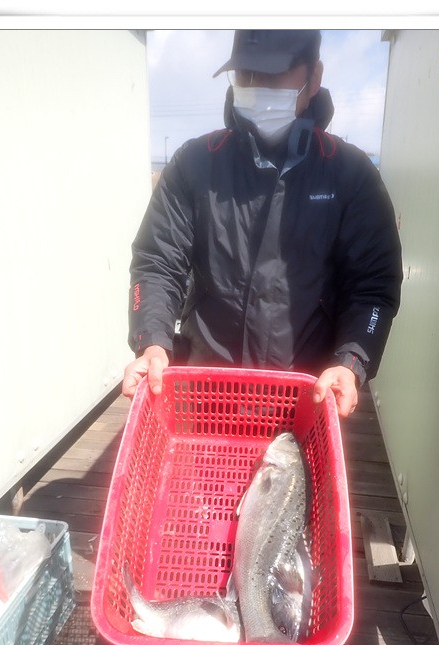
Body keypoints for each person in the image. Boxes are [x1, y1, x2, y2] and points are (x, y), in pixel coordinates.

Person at [122, 29, 402, 417]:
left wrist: (352, 359)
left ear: (314, 77)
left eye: (273, 74)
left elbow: (373, 287)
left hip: (307, 402)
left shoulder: (352, 175)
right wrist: (152, 340)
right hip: (204, 395)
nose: (256, 86)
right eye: (246, 74)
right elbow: (156, 263)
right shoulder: (194, 164)